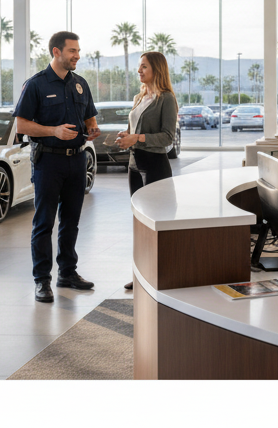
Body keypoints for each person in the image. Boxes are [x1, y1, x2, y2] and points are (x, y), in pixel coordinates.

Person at [13, 31, 101, 303]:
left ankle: (68, 272)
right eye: (72, 51)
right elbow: (21, 125)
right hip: (48, 162)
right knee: (44, 223)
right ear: (56, 52)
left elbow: (90, 117)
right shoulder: (36, 84)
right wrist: (53, 130)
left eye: (78, 51)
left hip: (77, 160)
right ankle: (42, 280)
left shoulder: (80, 84)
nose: (77, 56)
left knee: (71, 221)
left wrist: (93, 129)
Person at [115, 51, 179, 290]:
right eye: (139, 67)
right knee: (140, 224)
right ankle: (141, 275)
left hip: (155, 167)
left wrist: (137, 138)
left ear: (157, 70)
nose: (139, 71)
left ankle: (162, 275)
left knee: (157, 224)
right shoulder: (138, 97)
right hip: (134, 167)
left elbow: (167, 138)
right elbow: (133, 128)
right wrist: (126, 136)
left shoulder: (167, 99)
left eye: (144, 67)